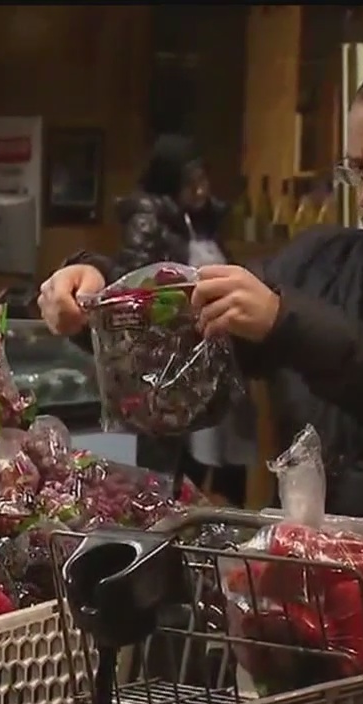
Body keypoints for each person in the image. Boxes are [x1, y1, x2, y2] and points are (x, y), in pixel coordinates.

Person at [43, 49, 363, 651]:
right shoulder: (320, 261)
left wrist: (286, 323)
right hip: (309, 617)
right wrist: (98, 298)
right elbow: (184, 340)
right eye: (355, 170)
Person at [84, 134, 255, 501]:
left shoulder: (203, 221)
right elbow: (135, 293)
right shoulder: (150, 221)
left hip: (214, 356)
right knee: (171, 473)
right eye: (191, 180)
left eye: (203, 178)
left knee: (225, 462)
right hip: (172, 362)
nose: (201, 188)